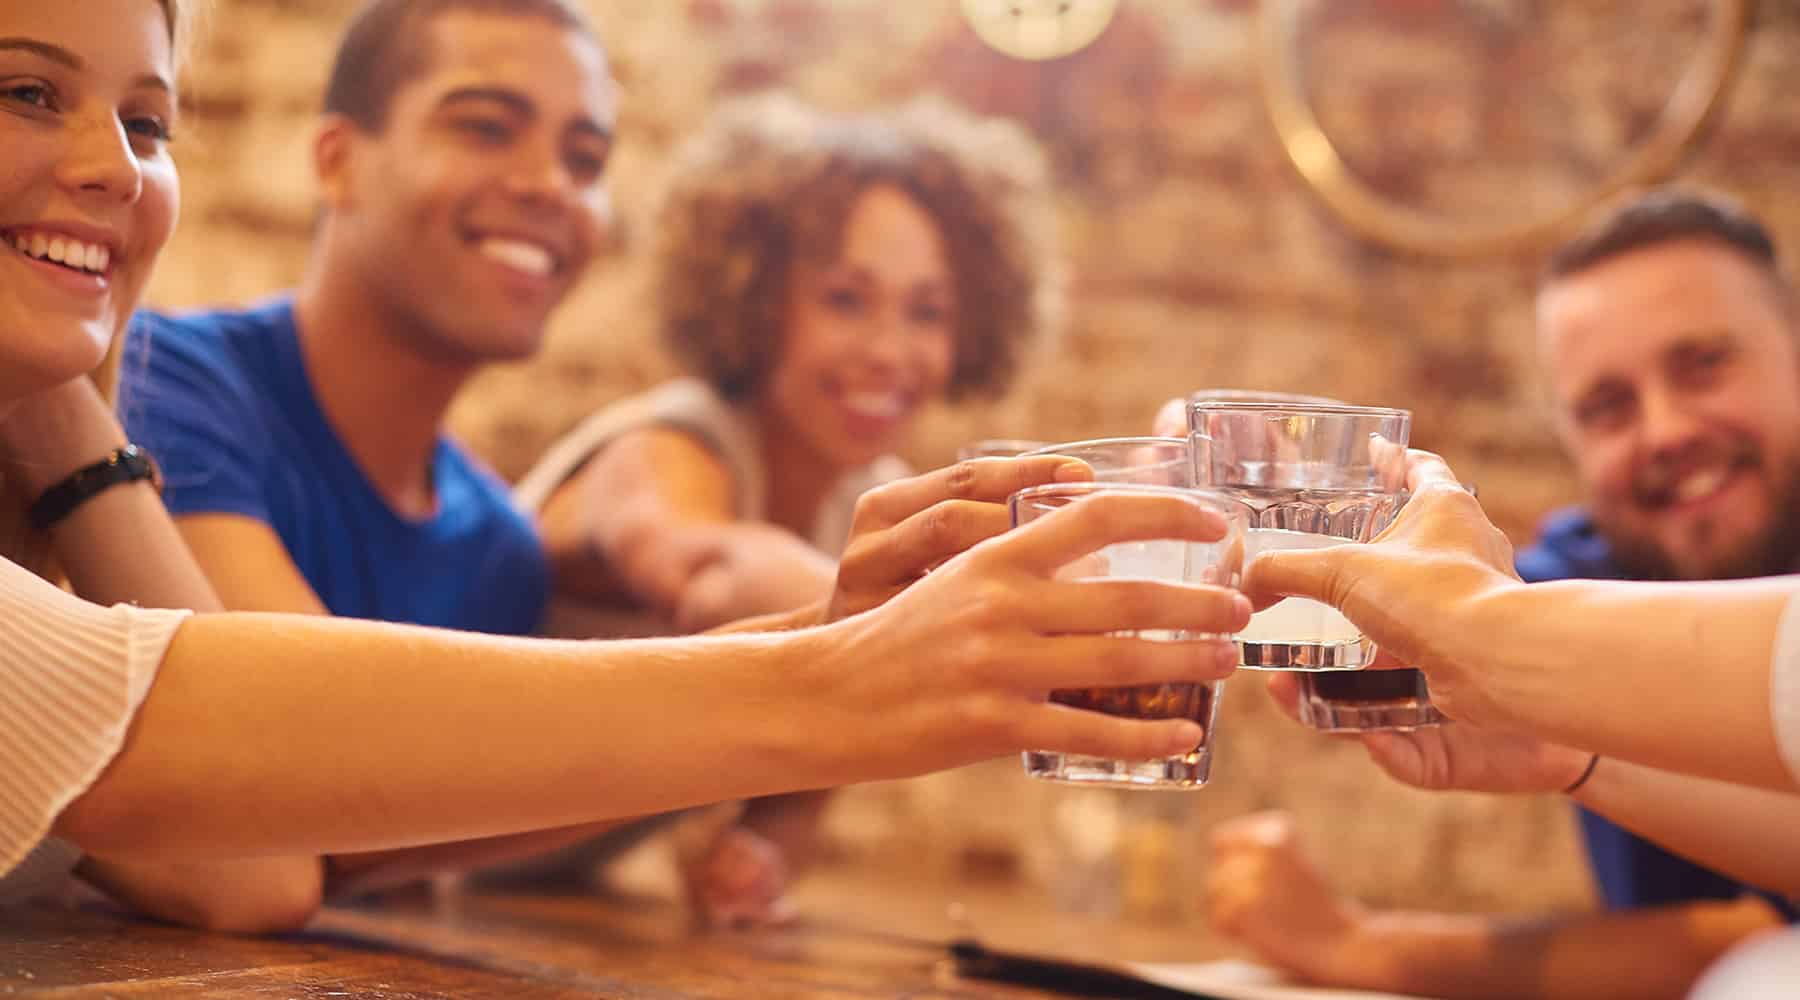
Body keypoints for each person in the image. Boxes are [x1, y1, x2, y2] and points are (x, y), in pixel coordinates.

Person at [0, 0, 1252, 932]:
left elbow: (336, 847)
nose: (548, 186)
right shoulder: (165, 381)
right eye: (487, 126)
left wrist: (827, 684)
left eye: (589, 160)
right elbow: (256, 840)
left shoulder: (489, 533)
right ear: (334, 157)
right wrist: (832, 651)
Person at [1203, 191, 1800, 999]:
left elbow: (1763, 941)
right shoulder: (1582, 570)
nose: (1664, 431)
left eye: (1704, 366)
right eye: (1607, 406)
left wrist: (1359, 944)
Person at [511, 91, 1058, 922]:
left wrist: (759, 858)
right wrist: (905, 621)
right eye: (846, 298)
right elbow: (706, 564)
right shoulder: (672, 443)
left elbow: (814, 766)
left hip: (535, 900)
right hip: (391, 869)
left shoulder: (863, 498)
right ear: (759, 301)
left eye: (928, 311)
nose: (889, 351)